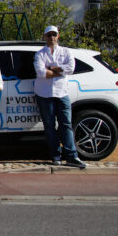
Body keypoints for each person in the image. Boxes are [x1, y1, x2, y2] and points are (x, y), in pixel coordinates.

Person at [33, 25, 87, 169]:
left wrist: (50, 68)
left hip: (62, 93)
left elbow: (71, 69)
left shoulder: (66, 52)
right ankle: (56, 155)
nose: (51, 37)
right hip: (44, 94)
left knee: (66, 125)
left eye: (54, 34)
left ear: (58, 36)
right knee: (49, 126)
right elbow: (40, 72)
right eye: (49, 34)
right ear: (44, 36)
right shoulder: (40, 54)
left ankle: (72, 155)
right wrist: (59, 70)